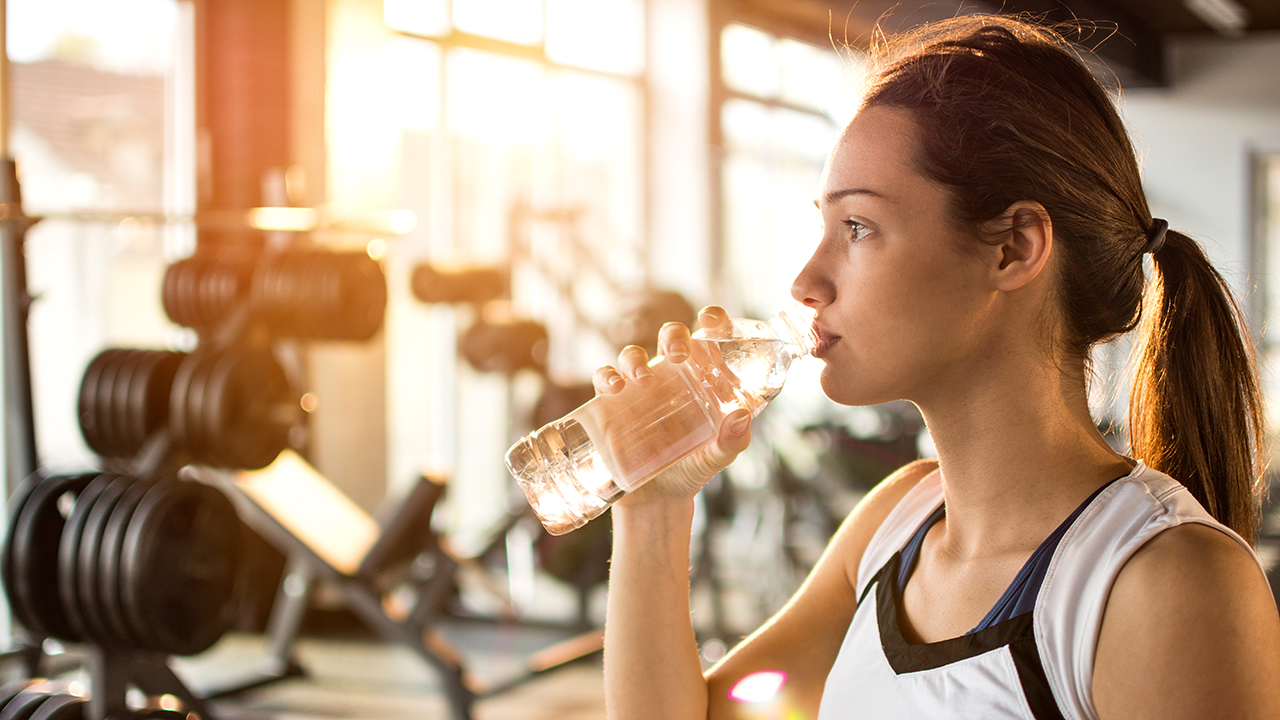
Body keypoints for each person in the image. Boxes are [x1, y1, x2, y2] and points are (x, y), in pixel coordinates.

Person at [595, 13, 1280, 720]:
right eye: (823, 226)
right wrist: (656, 506)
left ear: (1013, 248)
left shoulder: (1164, 584)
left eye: (857, 227)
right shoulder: (895, 523)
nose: (805, 280)